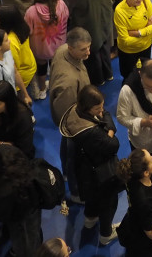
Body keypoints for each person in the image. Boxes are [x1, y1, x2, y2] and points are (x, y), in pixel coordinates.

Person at [60, 85, 121, 245]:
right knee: (108, 204)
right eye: (97, 108)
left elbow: (105, 114)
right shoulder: (91, 132)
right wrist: (110, 131)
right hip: (101, 174)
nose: (101, 110)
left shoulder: (75, 111)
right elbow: (113, 144)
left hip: (84, 170)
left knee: (91, 199)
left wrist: (105, 122)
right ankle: (106, 234)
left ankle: (90, 220)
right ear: (88, 108)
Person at [0, 144, 44, 257]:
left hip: (22, 211)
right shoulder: (6, 151)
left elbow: (1, 216)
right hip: (33, 194)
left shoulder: (2, 190)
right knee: (34, 232)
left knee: (25, 241)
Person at [49, 27, 92, 200]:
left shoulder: (62, 50)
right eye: (83, 49)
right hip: (73, 124)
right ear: (71, 48)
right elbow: (66, 116)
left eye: (89, 47)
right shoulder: (68, 82)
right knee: (74, 158)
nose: (88, 52)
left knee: (66, 146)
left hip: (70, 117)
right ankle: (75, 192)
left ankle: (66, 172)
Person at [66, 0, 113, 84]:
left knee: (92, 55)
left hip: (89, 24)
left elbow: (69, 0)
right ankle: (108, 74)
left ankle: (98, 80)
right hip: (104, 21)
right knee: (104, 47)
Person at [25, 0, 69, 98]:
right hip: (59, 45)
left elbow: (27, 31)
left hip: (40, 48)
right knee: (56, 65)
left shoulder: (31, 12)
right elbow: (67, 16)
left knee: (42, 68)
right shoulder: (60, 3)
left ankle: (43, 90)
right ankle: (56, 84)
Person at [115, 0, 152, 81]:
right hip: (128, 53)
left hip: (146, 48)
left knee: (144, 74)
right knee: (128, 77)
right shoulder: (119, 11)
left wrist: (138, 33)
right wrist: (148, 30)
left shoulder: (145, 0)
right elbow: (125, 41)